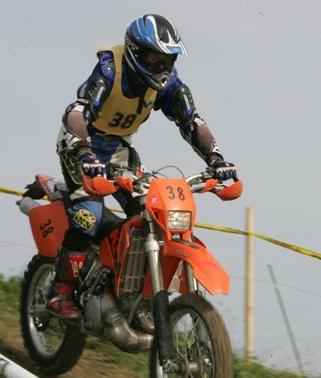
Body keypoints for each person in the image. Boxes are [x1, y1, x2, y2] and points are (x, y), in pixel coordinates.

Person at [47, 14, 238, 318]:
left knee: (150, 213)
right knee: (88, 215)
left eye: (168, 59)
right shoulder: (110, 72)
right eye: (154, 57)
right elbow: (76, 112)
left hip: (119, 149)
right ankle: (62, 291)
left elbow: (191, 122)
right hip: (81, 146)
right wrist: (84, 152)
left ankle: (128, 290)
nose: (162, 65)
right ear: (135, 51)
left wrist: (216, 158)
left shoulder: (169, 84)